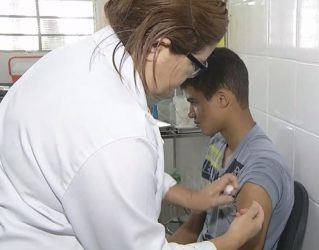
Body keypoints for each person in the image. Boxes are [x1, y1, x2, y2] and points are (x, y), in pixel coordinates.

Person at [0, 1, 264, 250]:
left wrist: (195, 199)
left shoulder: (78, 59)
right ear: (160, 45)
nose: (189, 78)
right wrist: (230, 241)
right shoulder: (116, 133)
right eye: (195, 65)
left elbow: (116, 177)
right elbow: (114, 163)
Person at [169, 48, 294, 249]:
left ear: (222, 99)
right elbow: (193, 227)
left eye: (194, 102)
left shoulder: (261, 169)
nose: (191, 114)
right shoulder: (217, 144)